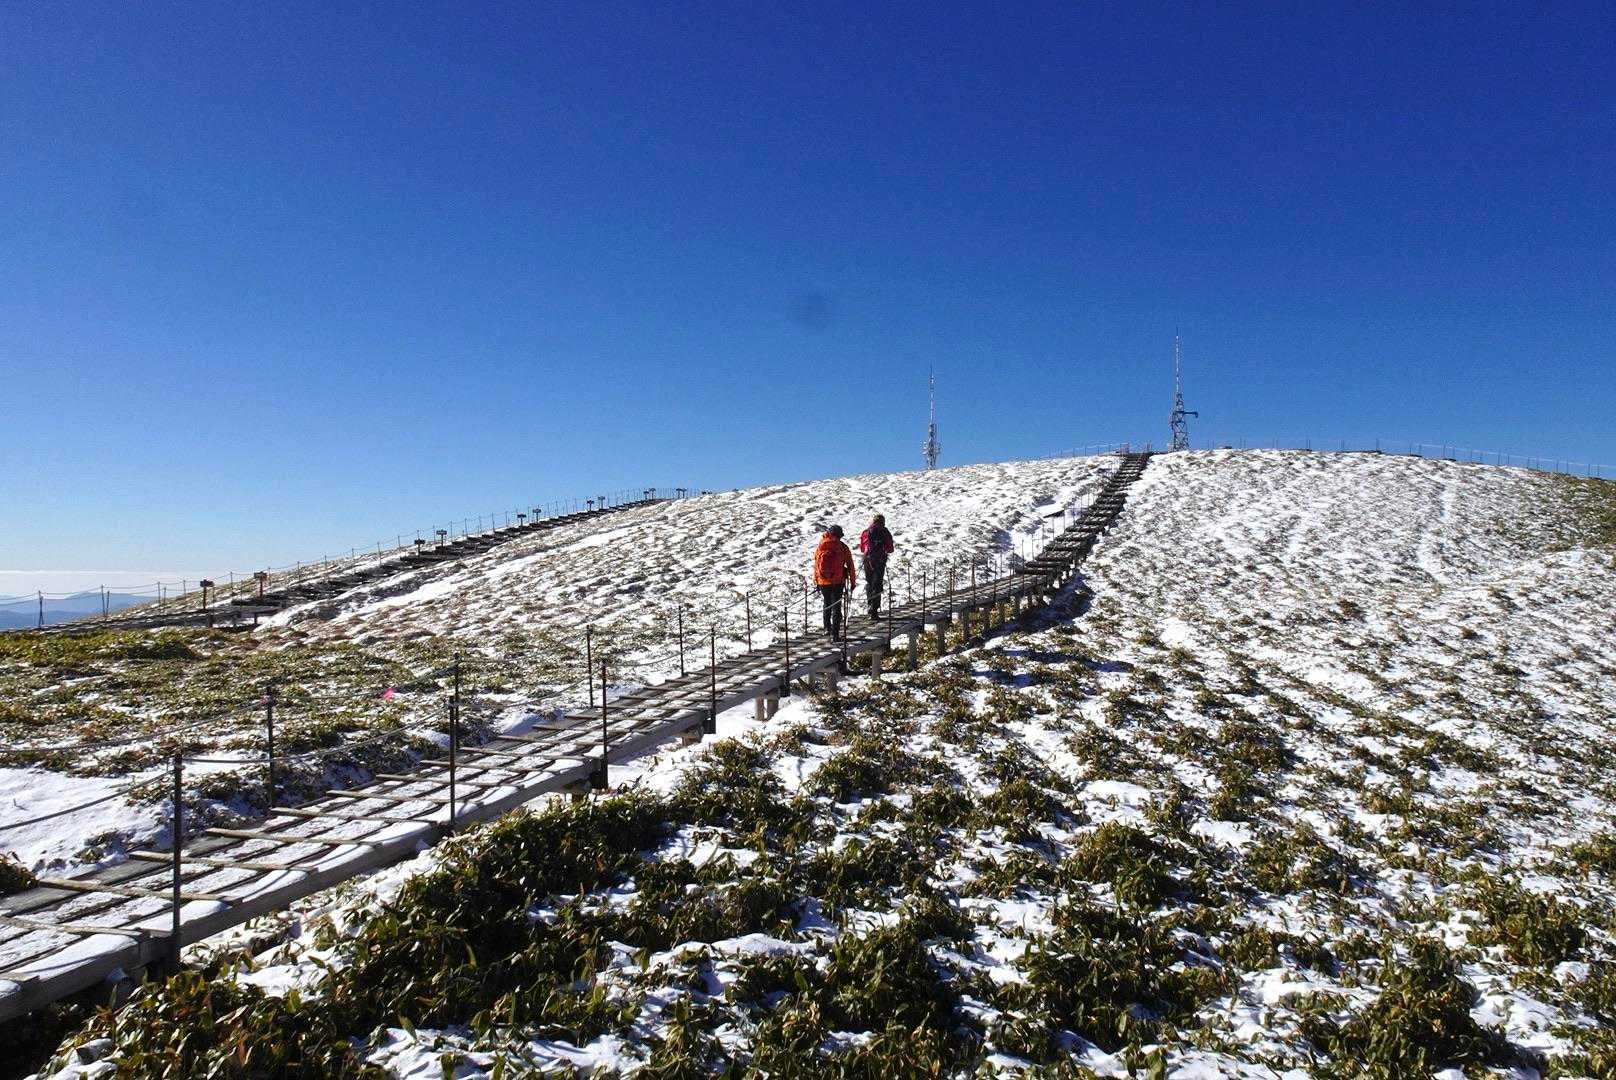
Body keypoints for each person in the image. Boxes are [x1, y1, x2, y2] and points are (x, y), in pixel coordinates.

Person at [813, 524, 856, 640]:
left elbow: (816, 565)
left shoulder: (821, 546)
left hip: (823, 581)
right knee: (836, 606)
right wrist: (853, 582)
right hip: (838, 581)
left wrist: (816, 581)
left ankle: (827, 628)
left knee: (827, 603)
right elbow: (850, 565)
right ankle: (835, 635)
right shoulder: (842, 547)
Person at [859, 513, 895, 619]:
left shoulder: (866, 532)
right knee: (877, 584)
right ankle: (874, 611)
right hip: (880, 561)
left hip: (867, 561)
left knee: (869, 583)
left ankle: (870, 605)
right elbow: (890, 549)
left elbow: (862, 548)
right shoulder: (885, 531)